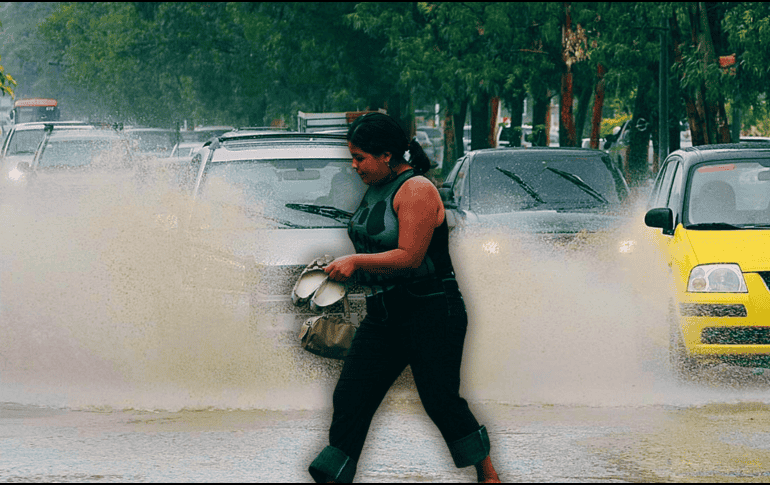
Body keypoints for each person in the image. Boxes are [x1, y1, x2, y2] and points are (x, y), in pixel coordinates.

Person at [308, 112, 500, 483]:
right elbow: (377, 252)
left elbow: (410, 257)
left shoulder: (417, 190)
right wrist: (340, 271)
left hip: (432, 310)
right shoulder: (376, 186)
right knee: (350, 399)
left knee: (440, 401)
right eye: (352, 156)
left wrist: (355, 261)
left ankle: (488, 476)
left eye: (359, 157)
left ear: (386, 155)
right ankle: (334, 477)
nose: (354, 165)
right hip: (384, 315)